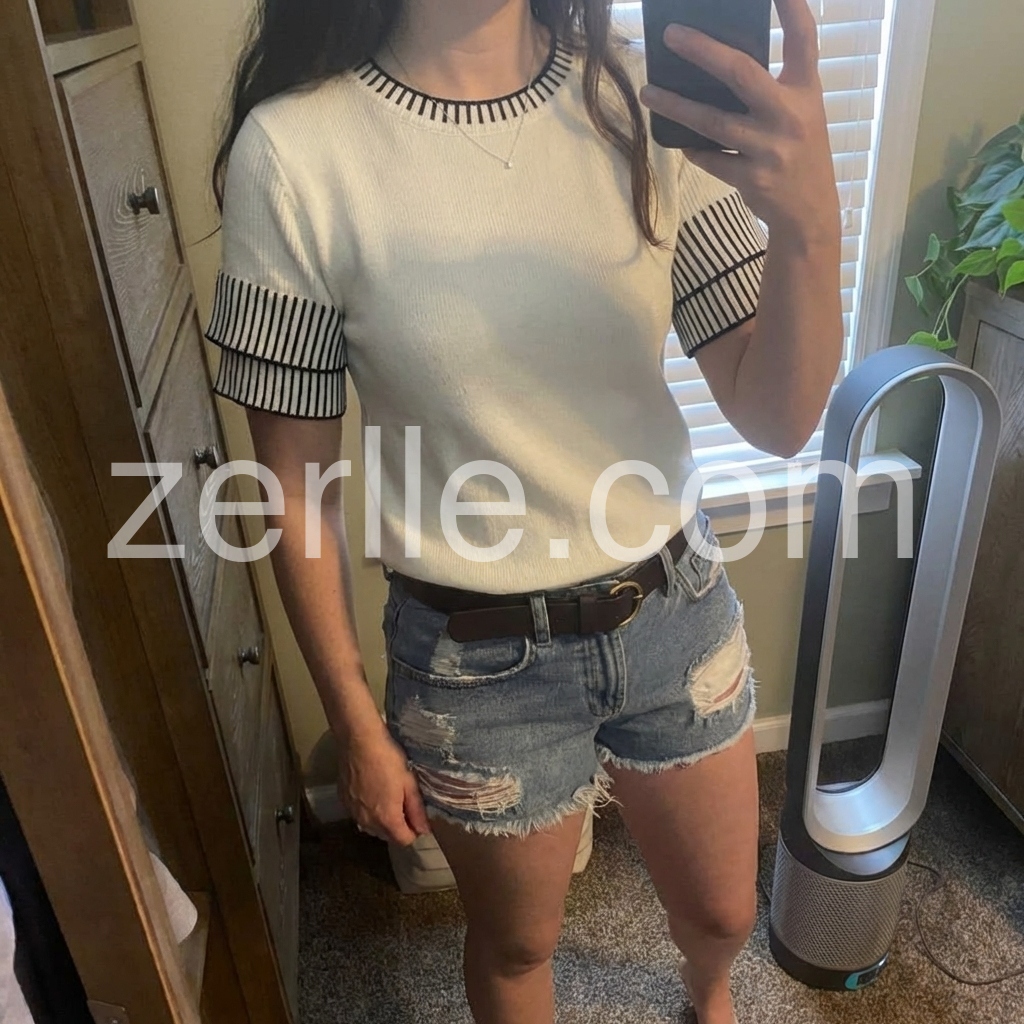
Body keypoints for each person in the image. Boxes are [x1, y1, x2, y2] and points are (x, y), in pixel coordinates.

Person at [205, 1, 842, 1021]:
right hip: (472, 658)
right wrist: (353, 717)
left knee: (724, 909)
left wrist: (810, 226)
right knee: (514, 944)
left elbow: (780, 416)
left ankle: (710, 991)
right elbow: (294, 487)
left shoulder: (637, 98)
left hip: (672, 610)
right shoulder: (293, 152)